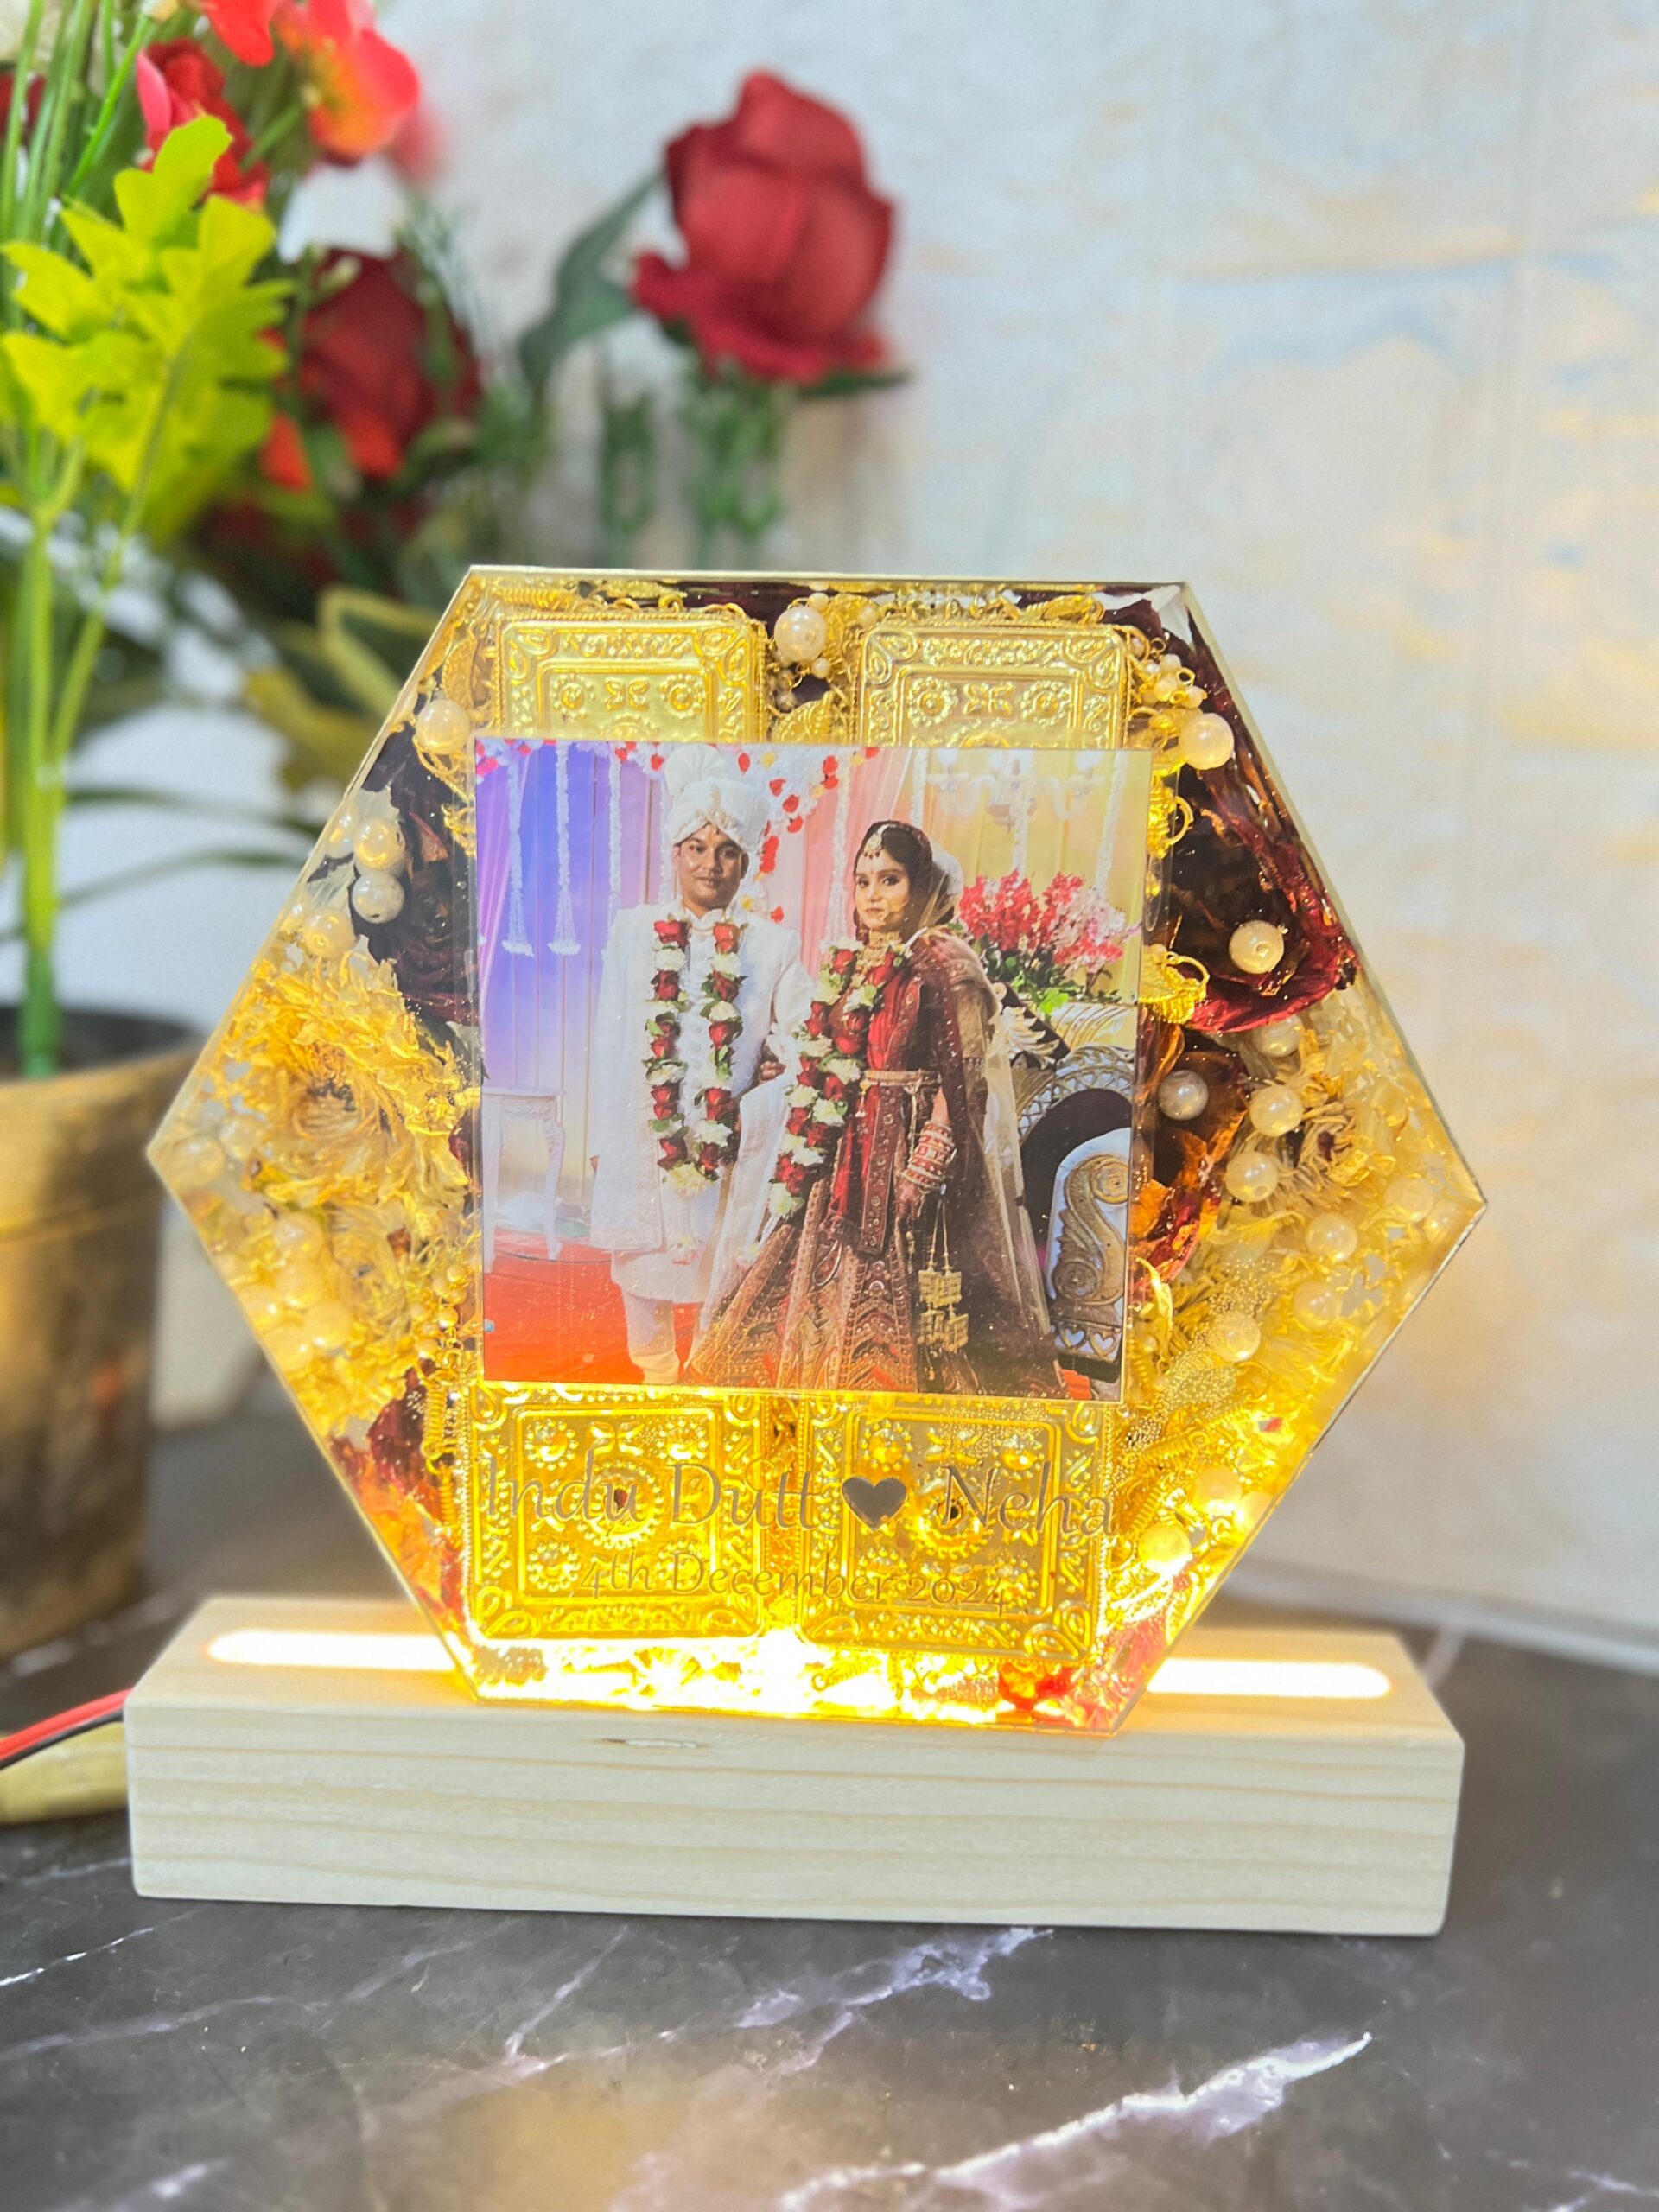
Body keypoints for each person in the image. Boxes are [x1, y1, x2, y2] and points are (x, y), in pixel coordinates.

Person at [691, 820, 1060, 1397]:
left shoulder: (946, 963)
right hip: (844, 1146)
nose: (872, 895)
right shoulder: (853, 960)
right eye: (863, 881)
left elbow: (964, 1076)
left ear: (921, 886)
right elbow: (835, 1052)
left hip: (909, 1146)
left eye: (890, 880)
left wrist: (927, 1160)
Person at [588, 746, 811, 1383]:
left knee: (721, 1267)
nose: (711, 864)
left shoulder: (772, 946)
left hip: (727, 1139)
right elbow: (609, 1037)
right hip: (643, 1131)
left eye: (727, 851)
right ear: (675, 854)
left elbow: (807, 1033)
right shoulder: (633, 932)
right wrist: (601, 1137)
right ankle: (656, 1375)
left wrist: (774, 1068)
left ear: (747, 863)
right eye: (697, 847)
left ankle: (708, 1378)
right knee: (641, 1262)